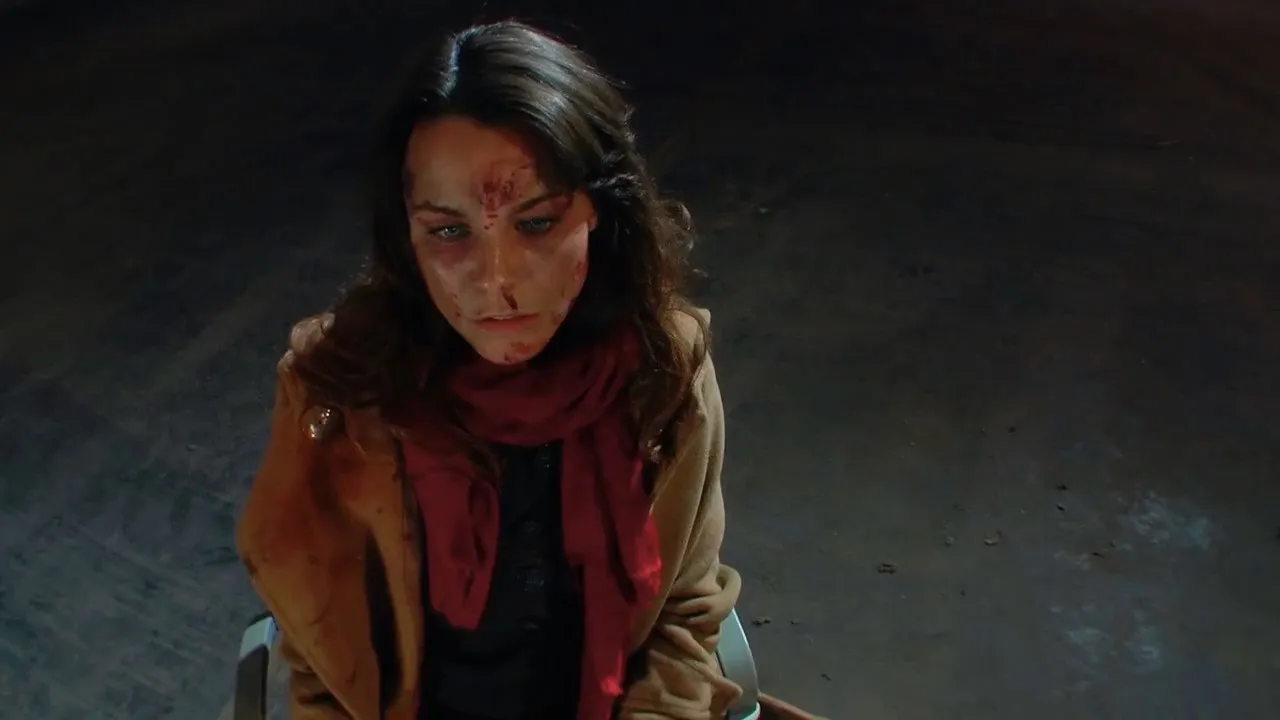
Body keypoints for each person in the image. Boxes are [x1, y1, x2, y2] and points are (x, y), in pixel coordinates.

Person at [235, 20, 743, 720]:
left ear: (601, 210)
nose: (496, 281)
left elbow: (683, 615)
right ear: (406, 236)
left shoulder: (662, 374)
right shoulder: (340, 390)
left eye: (536, 223)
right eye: (449, 232)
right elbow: (320, 638)